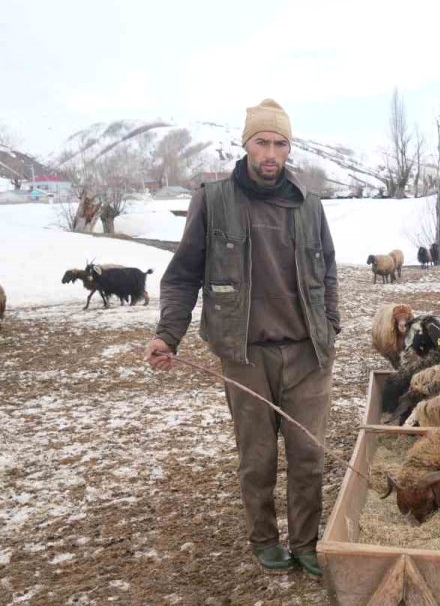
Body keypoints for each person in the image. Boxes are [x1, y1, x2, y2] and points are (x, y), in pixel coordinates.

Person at [143, 98, 340, 577]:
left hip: (306, 353)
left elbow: (328, 271)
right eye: (262, 142)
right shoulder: (215, 201)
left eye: (279, 143)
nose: (270, 152)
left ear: (288, 148)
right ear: (246, 143)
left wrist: (330, 326)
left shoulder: (309, 205)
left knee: (308, 455)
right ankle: (265, 539)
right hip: (246, 355)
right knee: (257, 458)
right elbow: (182, 275)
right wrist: (169, 334)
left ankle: (307, 543)